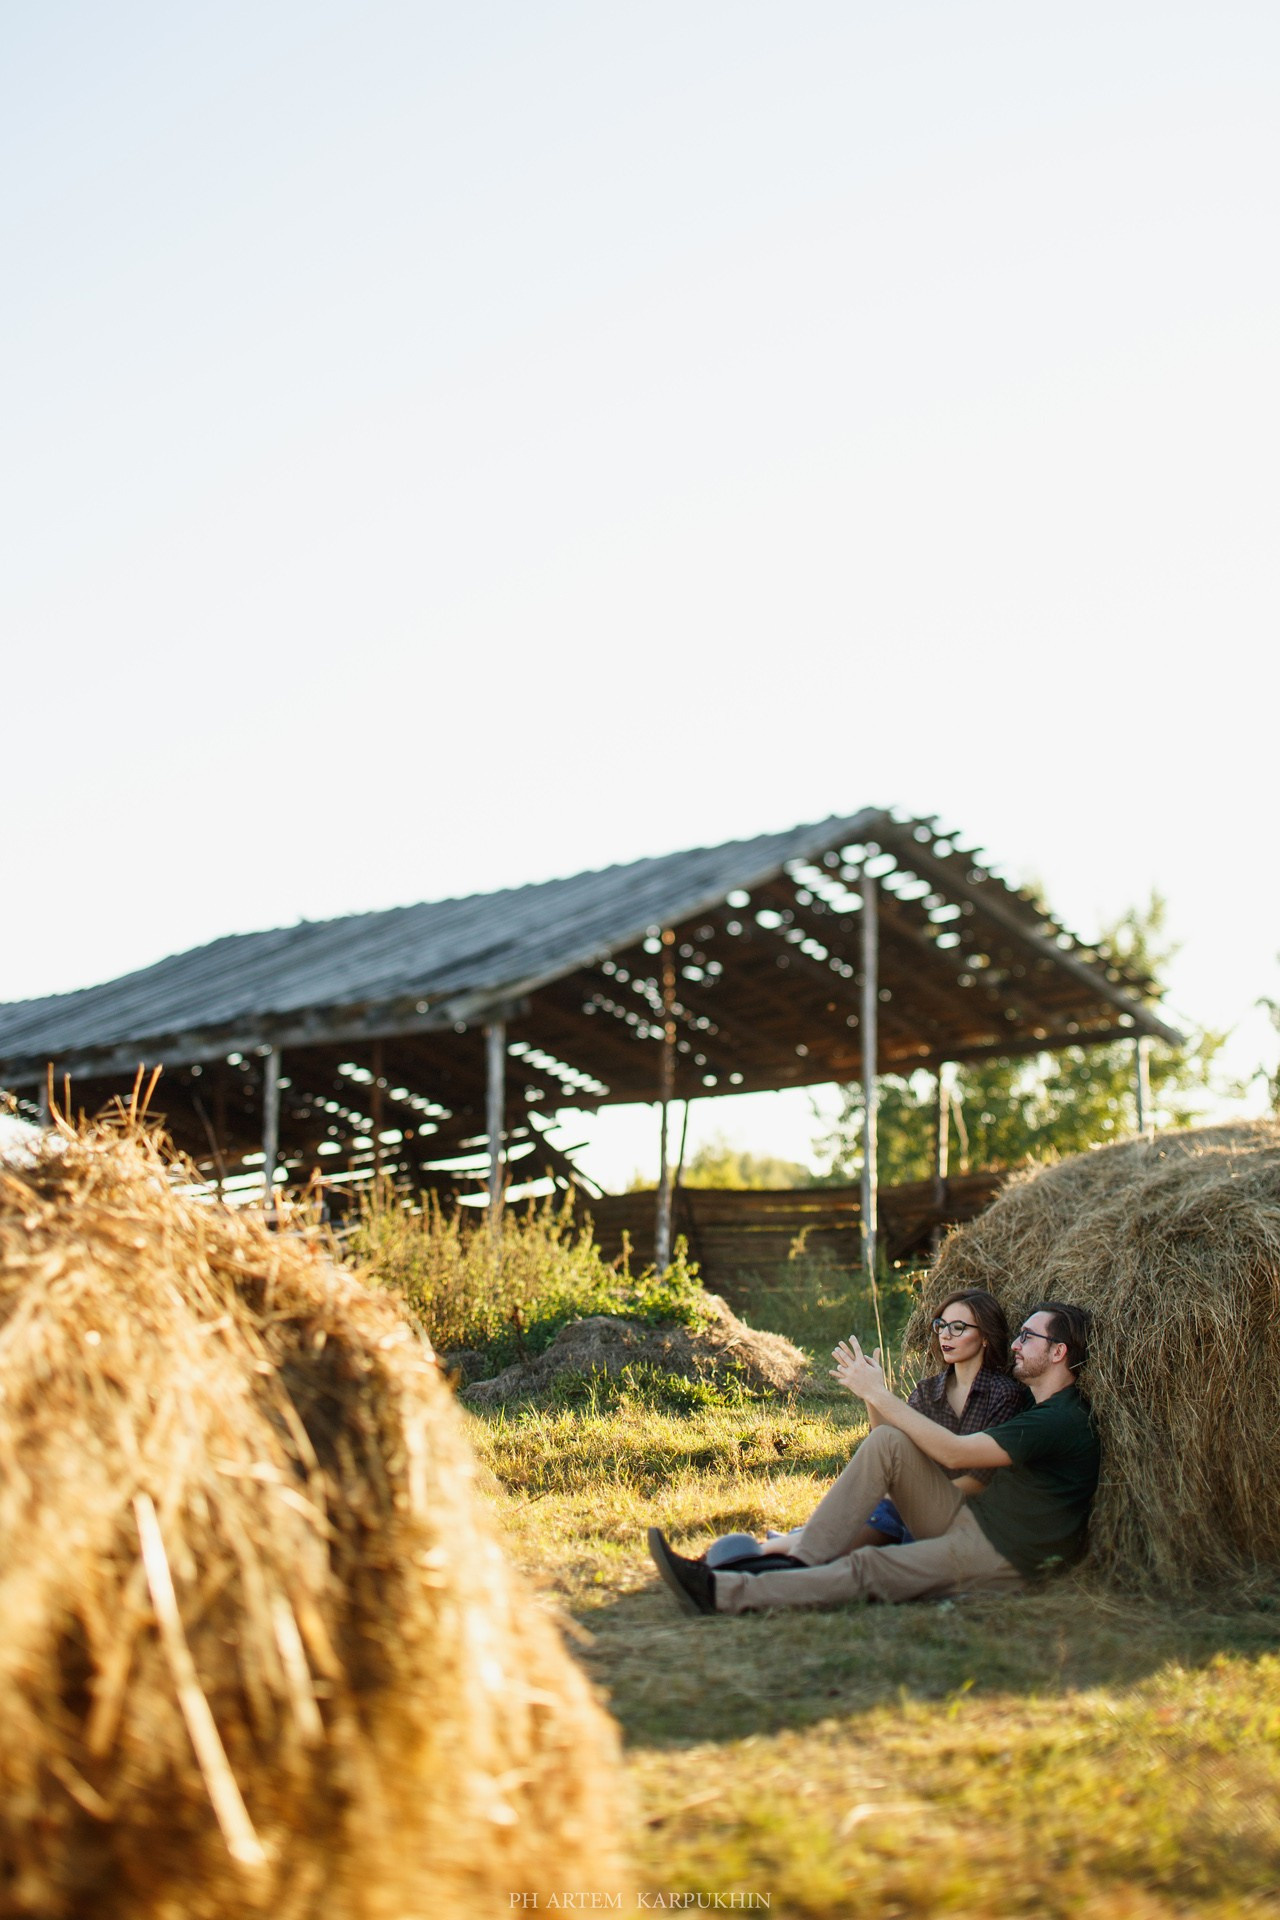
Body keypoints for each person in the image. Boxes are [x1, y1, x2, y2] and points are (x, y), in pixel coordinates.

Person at [648, 1300, 1099, 1616]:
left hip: (1000, 1553)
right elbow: (904, 1447)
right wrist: (876, 1399)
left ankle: (721, 1592)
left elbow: (957, 1454)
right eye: (1017, 1335)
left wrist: (879, 1394)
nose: (1016, 1344)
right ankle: (800, 1561)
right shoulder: (1036, 1407)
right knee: (888, 1445)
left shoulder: (1059, 1419)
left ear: (1058, 1352)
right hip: (968, 1519)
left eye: (1028, 1336)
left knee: (871, 1569)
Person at [701, 1289, 1026, 1570]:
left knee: (837, 1540)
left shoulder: (1004, 1393)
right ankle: (733, 1563)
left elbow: (980, 1480)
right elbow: (889, 1444)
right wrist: (873, 1395)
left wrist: (910, 1492)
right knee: (825, 1545)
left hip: (956, 1514)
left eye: (958, 1328)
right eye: (940, 1325)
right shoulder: (929, 1390)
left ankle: (750, 1562)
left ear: (984, 1336)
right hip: (902, 1504)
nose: (945, 1335)